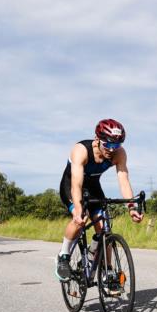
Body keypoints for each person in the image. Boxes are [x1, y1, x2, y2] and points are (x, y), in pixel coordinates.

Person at [55, 119, 144, 280]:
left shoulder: (119, 154)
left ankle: (106, 269)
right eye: (108, 145)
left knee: (104, 229)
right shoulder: (81, 150)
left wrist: (131, 207)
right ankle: (63, 255)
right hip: (72, 185)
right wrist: (78, 209)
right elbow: (76, 185)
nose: (111, 150)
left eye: (116, 146)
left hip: (93, 187)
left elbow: (123, 181)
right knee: (80, 218)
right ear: (97, 139)